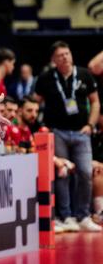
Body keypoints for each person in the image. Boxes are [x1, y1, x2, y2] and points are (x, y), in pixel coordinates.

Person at [34, 41, 101, 232]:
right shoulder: (46, 78)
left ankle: (83, 216)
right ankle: (65, 217)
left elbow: (95, 102)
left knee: (86, 172)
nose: (65, 57)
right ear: (53, 60)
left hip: (81, 132)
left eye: (67, 53)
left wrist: (90, 124)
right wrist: (41, 126)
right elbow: (35, 102)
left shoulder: (85, 75)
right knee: (61, 173)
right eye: (60, 55)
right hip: (58, 132)